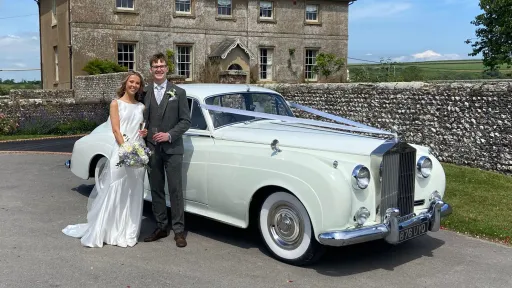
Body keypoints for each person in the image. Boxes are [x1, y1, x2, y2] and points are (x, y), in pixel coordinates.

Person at [62, 71, 148, 248]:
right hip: (122, 150)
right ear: (125, 84)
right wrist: (126, 149)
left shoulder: (141, 107)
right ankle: (107, 230)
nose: (134, 85)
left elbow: (139, 127)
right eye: (131, 82)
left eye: (137, 83)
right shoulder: (116, 104)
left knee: (133, 191)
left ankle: (127, 232)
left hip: (137, 150)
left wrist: (143, 134)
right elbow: (116, 130)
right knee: (115, 188)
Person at [141, 52, 191, 247]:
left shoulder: (178, 93)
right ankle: (161, 225)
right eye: (155, 66)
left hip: (172, 149)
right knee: (156, 189)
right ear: (151, 70)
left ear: (167, 69)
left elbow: (185, 121)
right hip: (152, 148)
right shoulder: (145, 92)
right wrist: (143, 131)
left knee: (175, 189)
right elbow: (142, 116)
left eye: (162, 66)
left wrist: (169, 135)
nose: (159, 69)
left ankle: (179, 230)